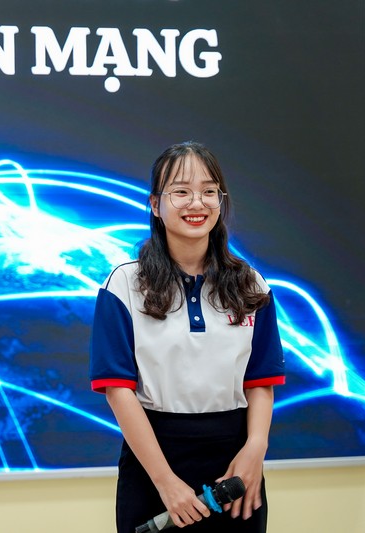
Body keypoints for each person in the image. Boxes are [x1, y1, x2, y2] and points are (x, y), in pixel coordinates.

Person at [89, 141, 285, 532]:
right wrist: (165, 482)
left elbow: (260, 382)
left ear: (220, 202)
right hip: (154, 462)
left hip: (236, 465)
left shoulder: (251, 284)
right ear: (155, 204)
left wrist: (255, 450)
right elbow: (118, 390)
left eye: (209, 191)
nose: (197, 203)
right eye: (181, 191)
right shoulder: (125, 283)